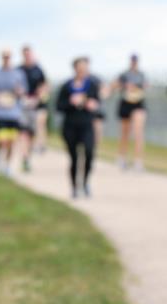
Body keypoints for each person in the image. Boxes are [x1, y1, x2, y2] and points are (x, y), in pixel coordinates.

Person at [56, 57, 101, 198]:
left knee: (89, 153)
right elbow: (59, 106)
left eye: (85, 68)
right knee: (74, 158)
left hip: (86, 125)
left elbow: (97, 103)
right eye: (80, 68)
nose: (83, 71)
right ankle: (75, 187)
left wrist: (91, 104)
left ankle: (85, 182)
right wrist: (71, 102)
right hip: (70, 126)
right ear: (75, 69)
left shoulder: (92, 85)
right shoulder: (66, 86)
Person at [0, 49, 27, 176]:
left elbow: (23, 91)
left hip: (13, 113)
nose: (6, 59)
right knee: (1, 140)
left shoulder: (18, 74)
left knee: (11, 142)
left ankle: (7, 165)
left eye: (8, 57)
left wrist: (19, 92)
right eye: (4, 57)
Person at [110, 54, 147, 171]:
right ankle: (122, 157)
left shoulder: (141, 75)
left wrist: (136, 87)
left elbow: (145, 86)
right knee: (125, 133)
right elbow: (114, 85)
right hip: (126, 103)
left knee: (138, 132)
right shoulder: (124, 75)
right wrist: (124, 85)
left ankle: (138, 161)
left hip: (138, 103)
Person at [18, 45, 48, 172]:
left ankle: (39, 145)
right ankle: (25, 159)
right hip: (23, 105)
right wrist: (23, 97)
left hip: (37, 104)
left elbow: (44, 85)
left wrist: (37, 98)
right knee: (24, 133)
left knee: (35, 129)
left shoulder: (38, 70)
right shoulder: (19, 70)